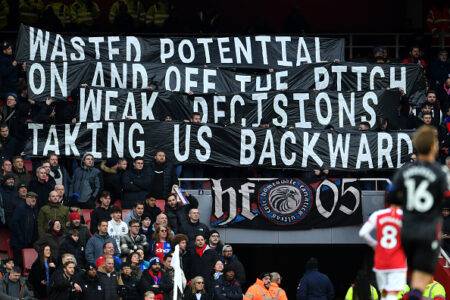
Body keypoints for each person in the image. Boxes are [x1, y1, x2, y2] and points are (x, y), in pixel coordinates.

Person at [389, 125, 450, 300]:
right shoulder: (439, 172)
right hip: (428, 229)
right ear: (433, 148)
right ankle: (416, 293)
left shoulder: (404, 171)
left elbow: (393, 195)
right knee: (425, 268)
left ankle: (413, 293)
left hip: (408, 229)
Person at [358, 186, 406, 300]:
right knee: (394, 293)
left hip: (381, 259)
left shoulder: (378, 214)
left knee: (384, 293)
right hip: (397, 260)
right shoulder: (405, 216)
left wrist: (375, 245)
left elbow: (362, 233)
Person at [10, 192, 39, 267]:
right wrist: (20, 237)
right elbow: (14, 223)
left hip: (28, 242)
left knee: (26, 263)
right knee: (19, 263)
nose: (34, 199)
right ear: (27, 198)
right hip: (18, 242)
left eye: (35, 198)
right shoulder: (20, 207)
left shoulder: (33, 209)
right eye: (32, 198)